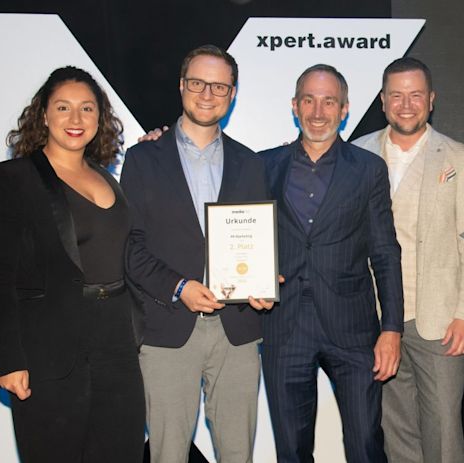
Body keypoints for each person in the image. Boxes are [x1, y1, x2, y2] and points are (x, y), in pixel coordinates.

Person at [0, 66, 144, 462]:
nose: (76, 118)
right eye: (63, 107)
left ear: (100, 119)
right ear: (43, 115)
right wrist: (9, 360)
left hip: (117, 347)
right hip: (49, 353)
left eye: (87, 108)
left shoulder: (108, 177)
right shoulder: (14, 178)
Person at [121, 44, 272, 463]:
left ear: (232, 93)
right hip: (167, 327)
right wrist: (179, 287)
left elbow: (260, 239)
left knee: (238, 453)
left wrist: (265, 280)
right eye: (198, 83)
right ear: (181, 85)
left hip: (237, 330)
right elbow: (130, 247)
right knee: (168, 454)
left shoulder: (251, 163)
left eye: (219, 86)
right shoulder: (142, 158)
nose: (208, 94)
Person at [259, 64, 404, 463]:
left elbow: (385, 252)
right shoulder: (263, 165)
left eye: (329, 102)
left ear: (344, 109)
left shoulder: (369, 169)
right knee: (291, 451)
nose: (318, 112)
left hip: (353, 329)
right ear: (295, 106)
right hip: (284, 326)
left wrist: (392, 329)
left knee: (365, 445)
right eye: (309, 100)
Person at [352, 57, 464, 463]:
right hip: (376, 320)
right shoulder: (356, 154)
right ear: (382, 101)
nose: (406, 105)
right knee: (396, 432)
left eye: (415, 95)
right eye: (397, 95)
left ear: (431, 100)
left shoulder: (458, 157)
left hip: (440, 322)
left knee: (443, 432)